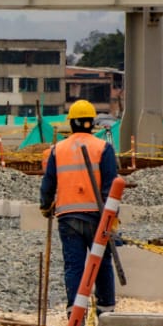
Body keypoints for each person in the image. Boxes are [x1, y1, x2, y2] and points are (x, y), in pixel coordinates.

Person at [40, 99, 120, 313]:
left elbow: (48, 183)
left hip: (68, 216)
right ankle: (106, 311)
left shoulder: (57, 149)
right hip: (98, 216)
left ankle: (75, 314)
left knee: (74, 266)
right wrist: (112, 218)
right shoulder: (104, 148)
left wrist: (45, 206)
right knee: (102, 264)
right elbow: (112, 187)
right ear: (92, 123)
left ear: (71, 123)